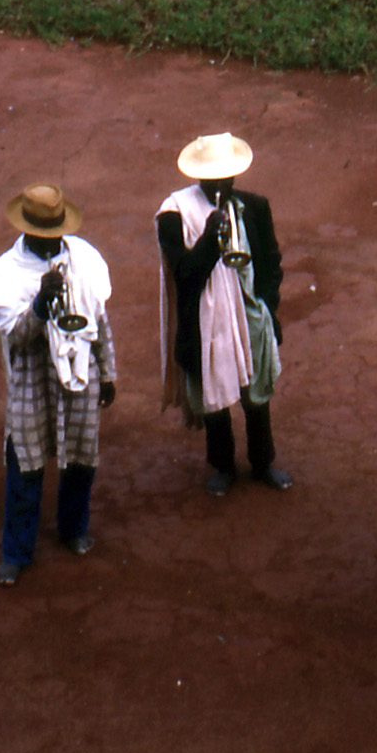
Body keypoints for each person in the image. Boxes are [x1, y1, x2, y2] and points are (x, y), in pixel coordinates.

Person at [0, 183, 117, 586]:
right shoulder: (6, 274)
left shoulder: (85, 259)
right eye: (42, 237)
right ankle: (16, 551)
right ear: (26, 231)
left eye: (54, 235)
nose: (50, 243)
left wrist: (108, 371)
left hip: (80, 370)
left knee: (80, 456)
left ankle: (73, 528)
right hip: (32, 376)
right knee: (25, 460)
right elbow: (19, 336)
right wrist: (41, 304)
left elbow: (100, 321)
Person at [156, 132, 291, 496]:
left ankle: (263, 462)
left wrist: (265, 305)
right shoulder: (174, 216)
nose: (220, 184)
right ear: (199, 178)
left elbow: (271, 264)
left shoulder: (254, 208)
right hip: (203, 322)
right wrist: (208, 243)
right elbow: (184, 277)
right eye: (213, 179)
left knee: (256, 394)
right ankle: (223, 466)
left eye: (226, 178)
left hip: (251, 315)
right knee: (213, 396)